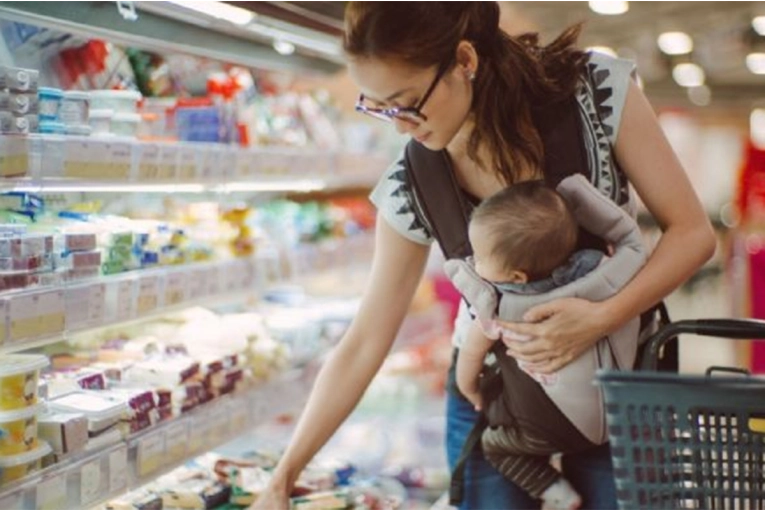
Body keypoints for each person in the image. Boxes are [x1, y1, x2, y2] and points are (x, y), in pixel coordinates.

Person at [251, 1, 716, 509]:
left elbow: (692, 234)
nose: (399, 126)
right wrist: (284, 475)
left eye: (406, 103)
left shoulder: (595, 91)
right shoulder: (414, 184)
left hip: (623, 386)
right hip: (497, 403)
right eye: (377, 106)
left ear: (464, 61)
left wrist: (601, 317)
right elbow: (366, 340)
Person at [454, 180, 623, 510]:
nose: (474, 262)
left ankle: (555, 491)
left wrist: (470, 390)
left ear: (517, 277)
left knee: (494, 446)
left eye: (482, 258)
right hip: (603, 420)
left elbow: (471, 357)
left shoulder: (497, 307)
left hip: (539, 430)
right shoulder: (594, 275)